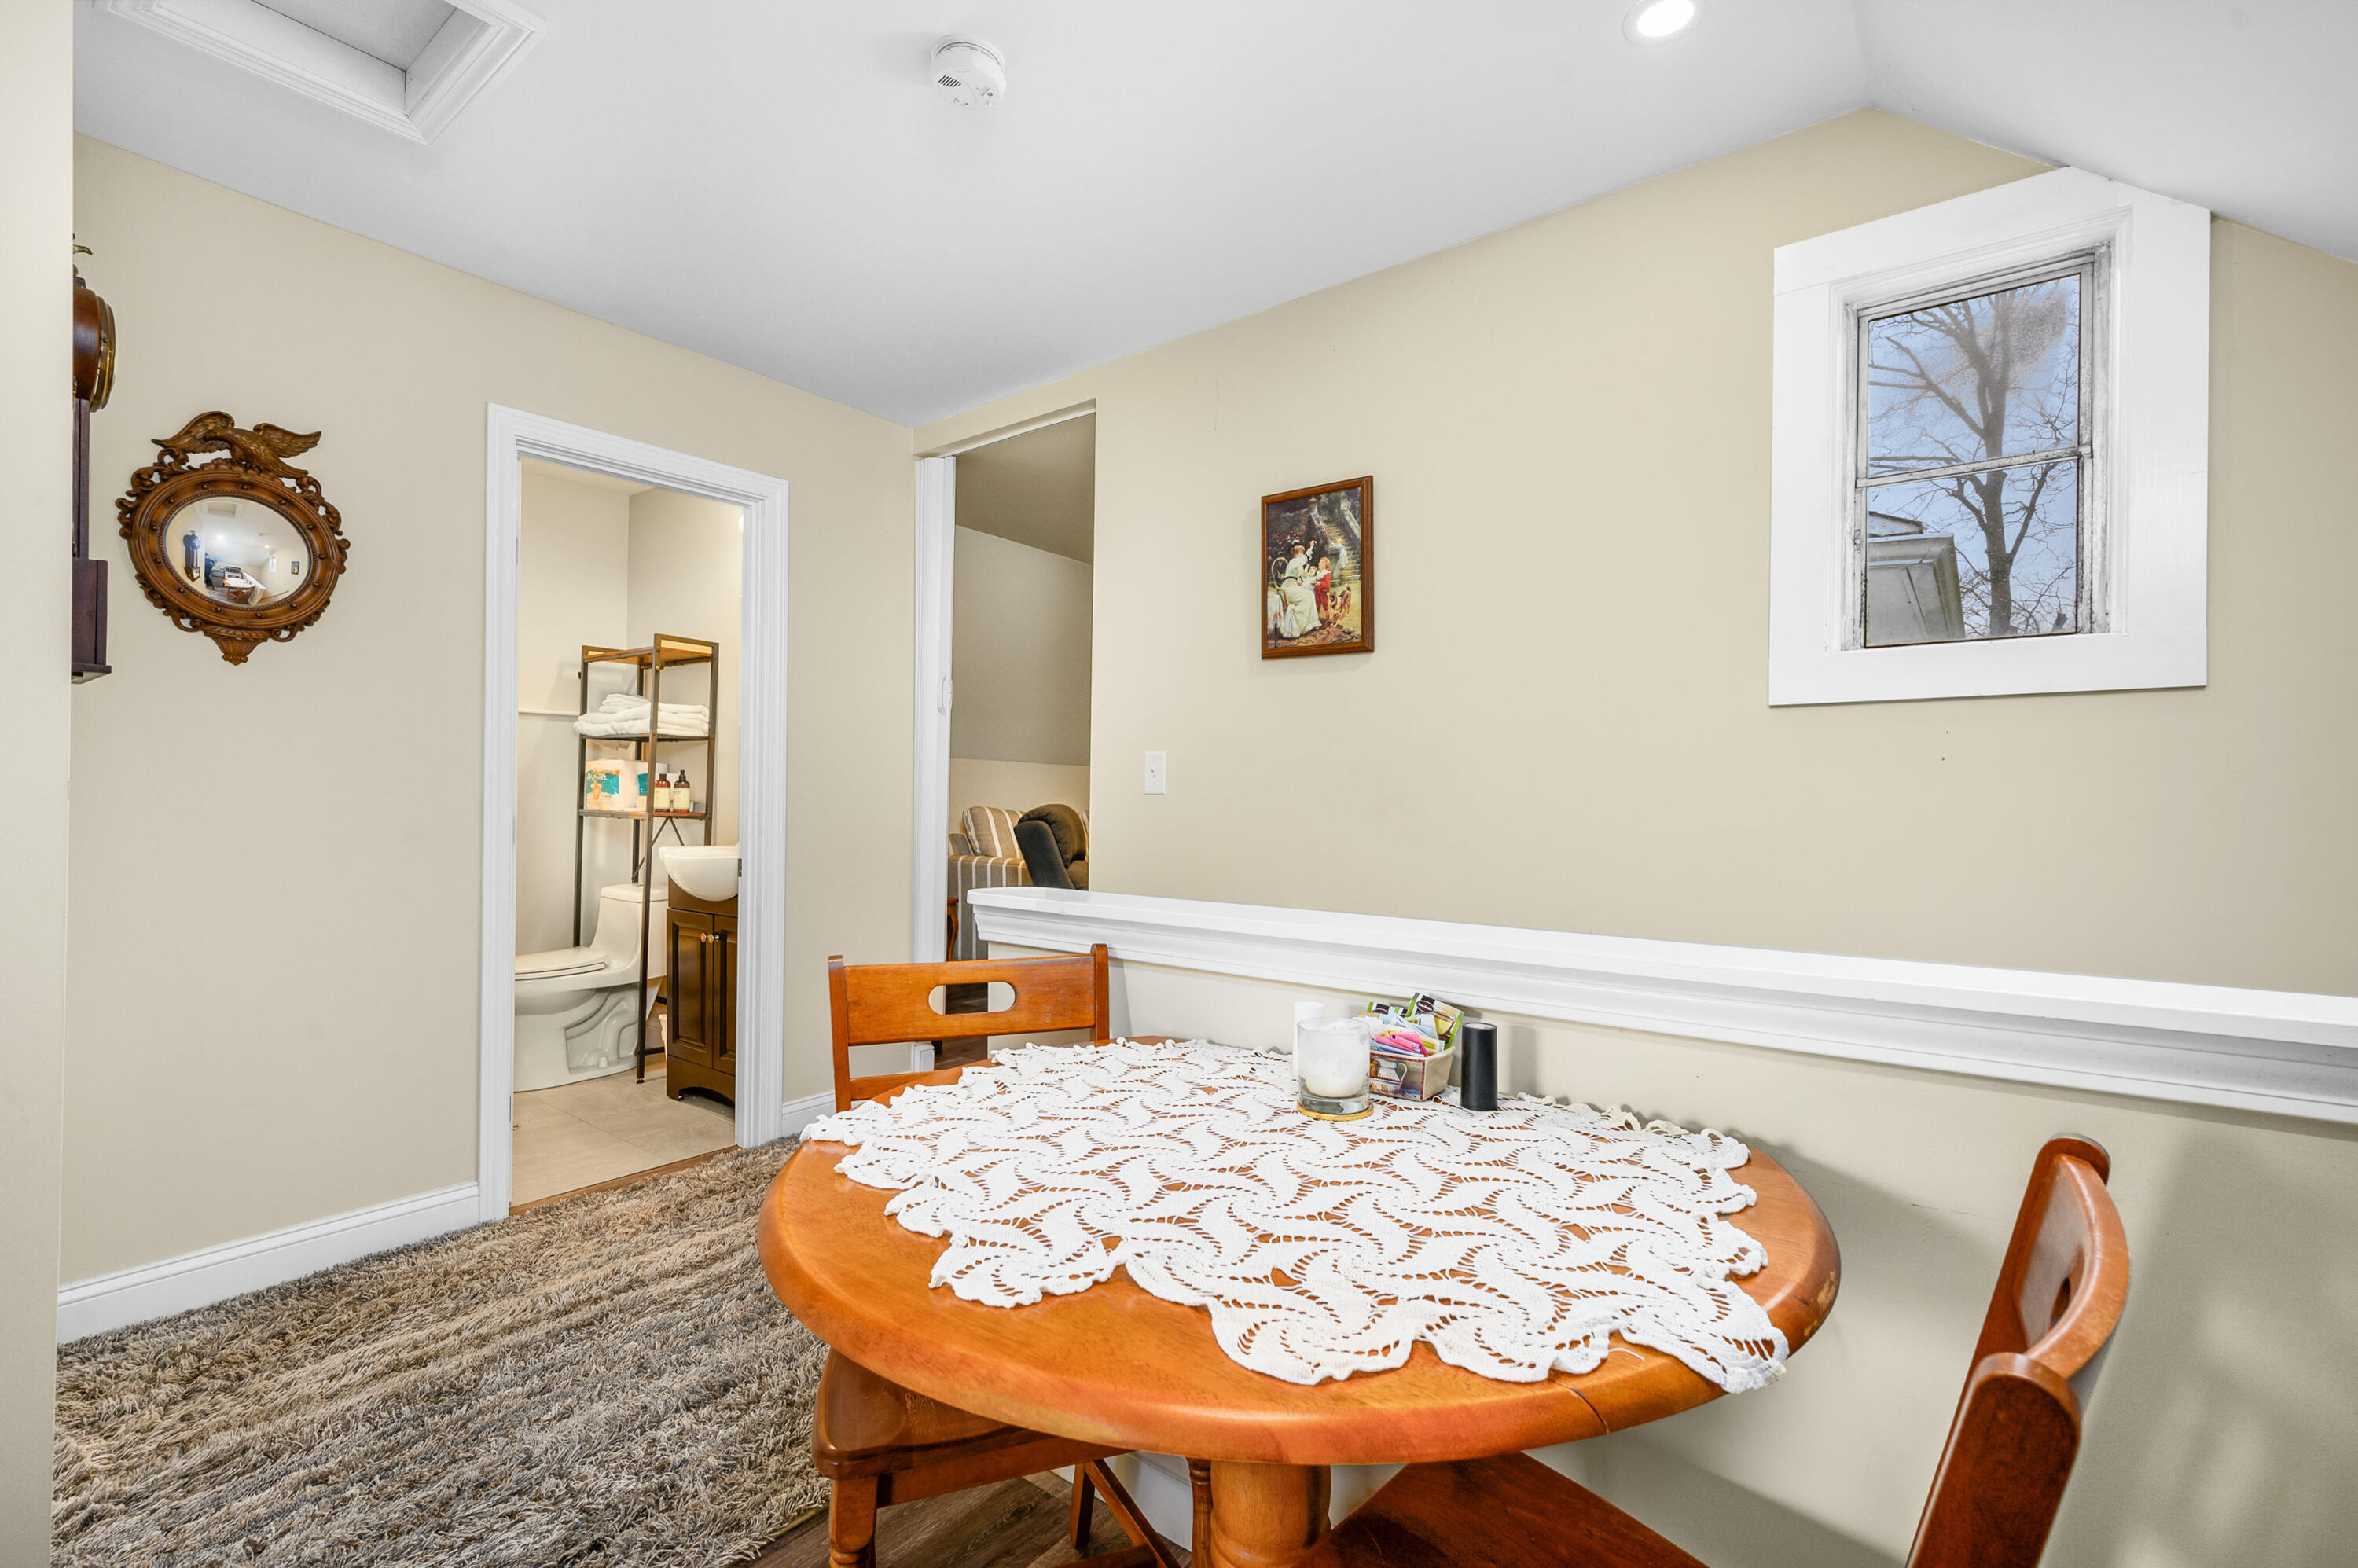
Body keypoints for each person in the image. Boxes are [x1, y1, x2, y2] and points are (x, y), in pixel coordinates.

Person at [1275, 544, 1319, 639]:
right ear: (1294, 554)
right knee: (1308, 595)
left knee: (1310, 594)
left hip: (1293, 587)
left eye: (1303, 553)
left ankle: (1308, 623)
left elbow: (1298, 577)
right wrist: (1311, 547)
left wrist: (1299, 580)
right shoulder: (1293, 561)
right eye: (1300, 553)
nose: (1302, 554)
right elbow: (1304, 559)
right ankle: (1296, 619)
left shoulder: (1297, 564)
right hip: (1287, 590)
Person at [1311, 554, 1333, 622]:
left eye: (1322, 562)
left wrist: (1320, 583)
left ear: (1326, 565)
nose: (1320, 563)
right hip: (1317, 592)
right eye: (1320, 562)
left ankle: (1327, 620)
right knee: (1317, 606)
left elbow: (1327, 585)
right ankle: (1316, 619)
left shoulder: (1327, 574)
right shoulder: (1318, 573)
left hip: (1323, 592)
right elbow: (1316, 581)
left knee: (1325, 606)